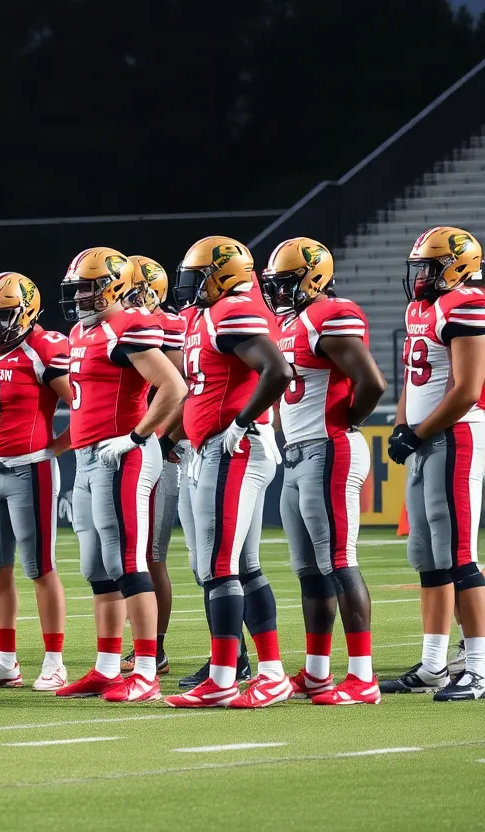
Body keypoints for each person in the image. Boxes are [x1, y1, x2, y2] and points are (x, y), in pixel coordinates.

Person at [164, 236, 292, 709]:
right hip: (213, 449)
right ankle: (272, 674)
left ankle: (223, 677)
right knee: (241, 566)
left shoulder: (233, 310)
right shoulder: (201, 315)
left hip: (234, 450)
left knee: (219, 566)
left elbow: (277, 371)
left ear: (225, 276)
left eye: (198, 277)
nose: (189, 286)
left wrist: (240, 424)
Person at [55, 248, 186, 703]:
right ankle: (108, 666)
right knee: (98, 568)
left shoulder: (127, 325)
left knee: (130, 562)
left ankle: (147, 669)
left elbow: (174, 386)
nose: (81, 295)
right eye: (78, 287)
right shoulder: (78, 331)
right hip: (88, 456)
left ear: (114, 286)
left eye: (90, 286)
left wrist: (136, 436)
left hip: (121, 455)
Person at [261, 237, 385, 705]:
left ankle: (363, 677)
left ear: (313, 278)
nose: (276, 292)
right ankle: (316, 673)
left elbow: (372, 382)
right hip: (299, 454)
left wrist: (347, 421)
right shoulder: (291, 321)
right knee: (309, 571)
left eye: (285, 282)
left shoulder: (328, 314)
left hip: (329, 449)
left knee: (339, 561)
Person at [384, 226, 485, 701]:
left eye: (430, 266)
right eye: (419, 266)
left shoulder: (466, 303)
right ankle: (433, 665)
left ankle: (480, 666)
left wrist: (420, 431)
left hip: (458, 436)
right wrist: (403, 426)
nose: (421, 275)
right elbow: (414, 378)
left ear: (457, 266)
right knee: (427, 558)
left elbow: (466, 389)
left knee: (460, 556)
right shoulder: (420, 308)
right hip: (427, 439)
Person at [0, 272, 71, 691]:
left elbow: (82, 407)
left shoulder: (42, 349)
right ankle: (6, 661)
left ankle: (54, 660)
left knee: (40, 568)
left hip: (30, 470)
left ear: (26, 314)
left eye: (2, 317)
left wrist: (53, 449)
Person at [118, 257, 183, 677]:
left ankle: (153, 648)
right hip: (137, 448)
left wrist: (165, 437)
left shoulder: (170, 326)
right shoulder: (122, 327)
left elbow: (184, 390)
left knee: (151, 555)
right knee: (130, 554)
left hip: (158, 452)